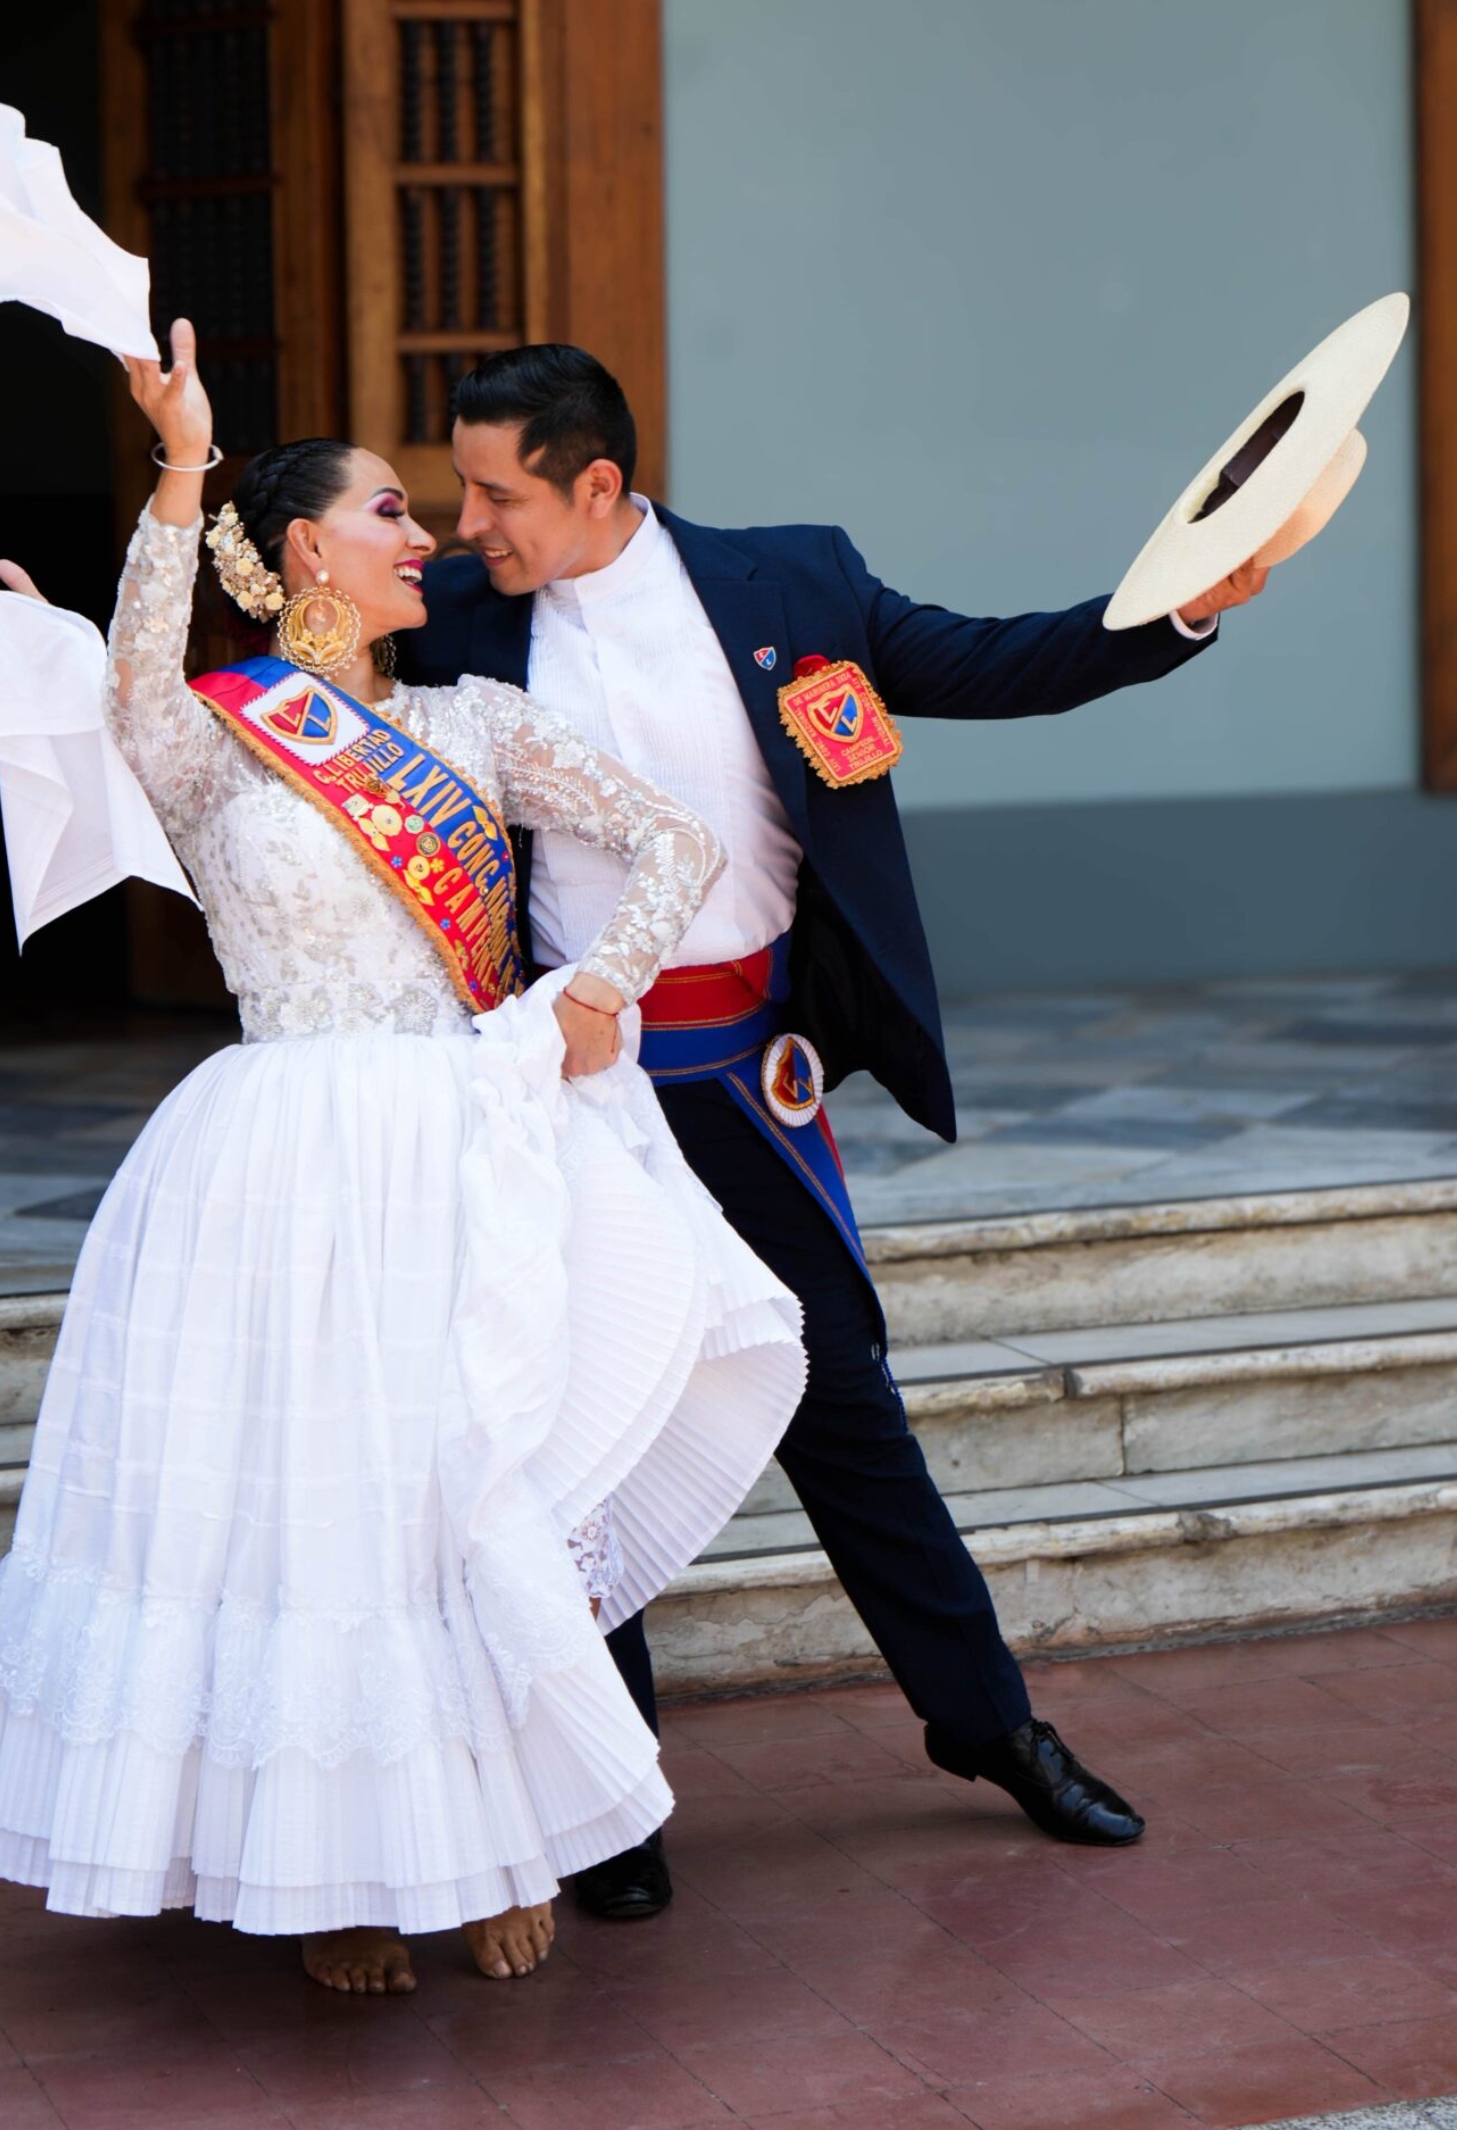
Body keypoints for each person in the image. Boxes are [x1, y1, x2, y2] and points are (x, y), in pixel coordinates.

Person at [0, 320, 805, 1994]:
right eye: (396, 513)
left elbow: (678, 837)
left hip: (460, 1143)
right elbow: (130, 694)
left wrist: (600, 991)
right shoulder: (217, 733)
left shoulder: (478, 721)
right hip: (278, 1160)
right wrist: (180, 459)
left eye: (431, 515)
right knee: (311, 1507)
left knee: (454, 1496)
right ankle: (331, 1875)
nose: (433, 540)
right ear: (303, 556)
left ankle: (483, 1840)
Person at [400, 342, 1270, 1921]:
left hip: (744, 1075)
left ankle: (992, 1721)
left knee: (847, 1410)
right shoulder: (458, 622)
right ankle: (614, 1798)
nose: (469, 522)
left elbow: (1002, 661)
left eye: (497, 490)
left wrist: (1189, 603)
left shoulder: (791, 580)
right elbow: (303, 694)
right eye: (460, 488)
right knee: (571, 1442)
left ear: (598, 483)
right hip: (564, 1088)